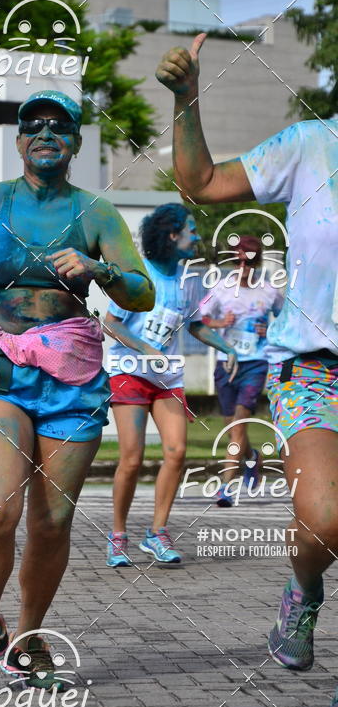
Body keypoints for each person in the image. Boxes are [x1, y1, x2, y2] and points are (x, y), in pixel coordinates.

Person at [0, 89, 155, 692]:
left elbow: (142, 291)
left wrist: (101, 270)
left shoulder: (96, 213)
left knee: (52, 521)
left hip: (71, 380)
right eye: (34, 125)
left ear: (77, 143)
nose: (46, 133)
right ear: (20, 140)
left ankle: (28, 639)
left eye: (61, 126)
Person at [156, 33, 338, 707]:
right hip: (315, 368)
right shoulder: (311, 144)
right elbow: (200, 183)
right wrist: (186, 99)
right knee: (323, 519)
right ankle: (306, 589)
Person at [105, 203, 238, 567]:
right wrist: (147, 350)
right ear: (171, 234)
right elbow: (110, 324)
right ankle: (118, 537)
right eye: (191, 229)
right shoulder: (137, 276)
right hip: (129, 372)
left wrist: (227, 348)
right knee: (131, 460)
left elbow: (194, 325)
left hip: (168, 379)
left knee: (177, 452)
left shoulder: (189, 280)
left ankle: (157, 533)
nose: (197, 237)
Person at [198, 235, 283, 506]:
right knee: (231, 426)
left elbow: (287, 323)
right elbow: (200, 319)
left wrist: (270, 330)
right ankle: (252, 458)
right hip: (227, 363)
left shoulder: (270, 291)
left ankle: (225, 488)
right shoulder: (221, 288)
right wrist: (221, 321)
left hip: (257, 363)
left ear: (256, 263)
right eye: (239, 261)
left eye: (250, 262)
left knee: (237, 426)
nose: (244, 268)